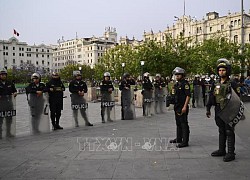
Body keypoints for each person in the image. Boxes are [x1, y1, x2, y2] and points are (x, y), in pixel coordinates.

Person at [206, 58, 239, 162]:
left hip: (229, 111)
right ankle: (221, 150)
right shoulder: (215, 83)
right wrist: (208, 108)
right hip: (218, 110)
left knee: (229, 131)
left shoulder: (232, 83)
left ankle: (231, 153)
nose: (221, 72)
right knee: (221, 130)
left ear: (227, 71)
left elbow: (237, 98)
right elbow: (211, 96)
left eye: (223, 70)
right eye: (219, 70)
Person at [169, 67, 191, 148]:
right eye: (176, 75)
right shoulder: (176, 84)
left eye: (178, 75)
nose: (177, 76)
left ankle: (185, 141)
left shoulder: (185, 84)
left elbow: (188, 96)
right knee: (178, 123)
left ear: (182, 75)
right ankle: (179, 138)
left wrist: (185, 106)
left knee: (183, 123)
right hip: (177, 106)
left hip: (182, 106)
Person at [0, 68, 17, 139]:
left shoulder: (10, 83)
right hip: (1, 104)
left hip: (9, 103)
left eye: (4, 75)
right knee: (0, 120)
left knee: (9, 119)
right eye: (2, 75)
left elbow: (15, 91)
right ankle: (0, 133)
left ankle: (8, 132)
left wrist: (15, 93)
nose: (3, 76)